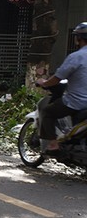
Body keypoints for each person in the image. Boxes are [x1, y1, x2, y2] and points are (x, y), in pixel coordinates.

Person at [34, 22, 87, 154]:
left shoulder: (76, 57)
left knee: (47, 112)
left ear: (78, 38)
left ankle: (53, 144)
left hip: (76, 102)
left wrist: (44, 83)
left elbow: (57, 78)